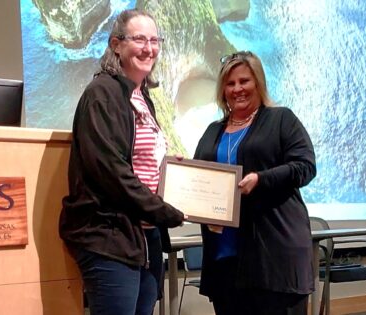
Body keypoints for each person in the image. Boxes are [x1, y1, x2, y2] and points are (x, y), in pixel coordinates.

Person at [58, 9, 185, 315]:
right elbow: (110, 171)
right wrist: (163, 211)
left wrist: (169, 168)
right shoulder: (103, 94)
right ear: (116, 44)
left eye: (155, 40)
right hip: (110, 237)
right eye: (139, 39)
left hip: (142, 237)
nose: (149, 48)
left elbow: (135, 157)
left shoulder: (141, 95)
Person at [193, 51, 317, 315]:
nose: (237, 89)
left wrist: (262, 179)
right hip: (225, 258)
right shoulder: (213, 130)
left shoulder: (281, 119)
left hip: (273, 259)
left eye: (244, 81)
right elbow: (198, 178)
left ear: (258, 82)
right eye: (230, 83)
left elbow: (305, 167)